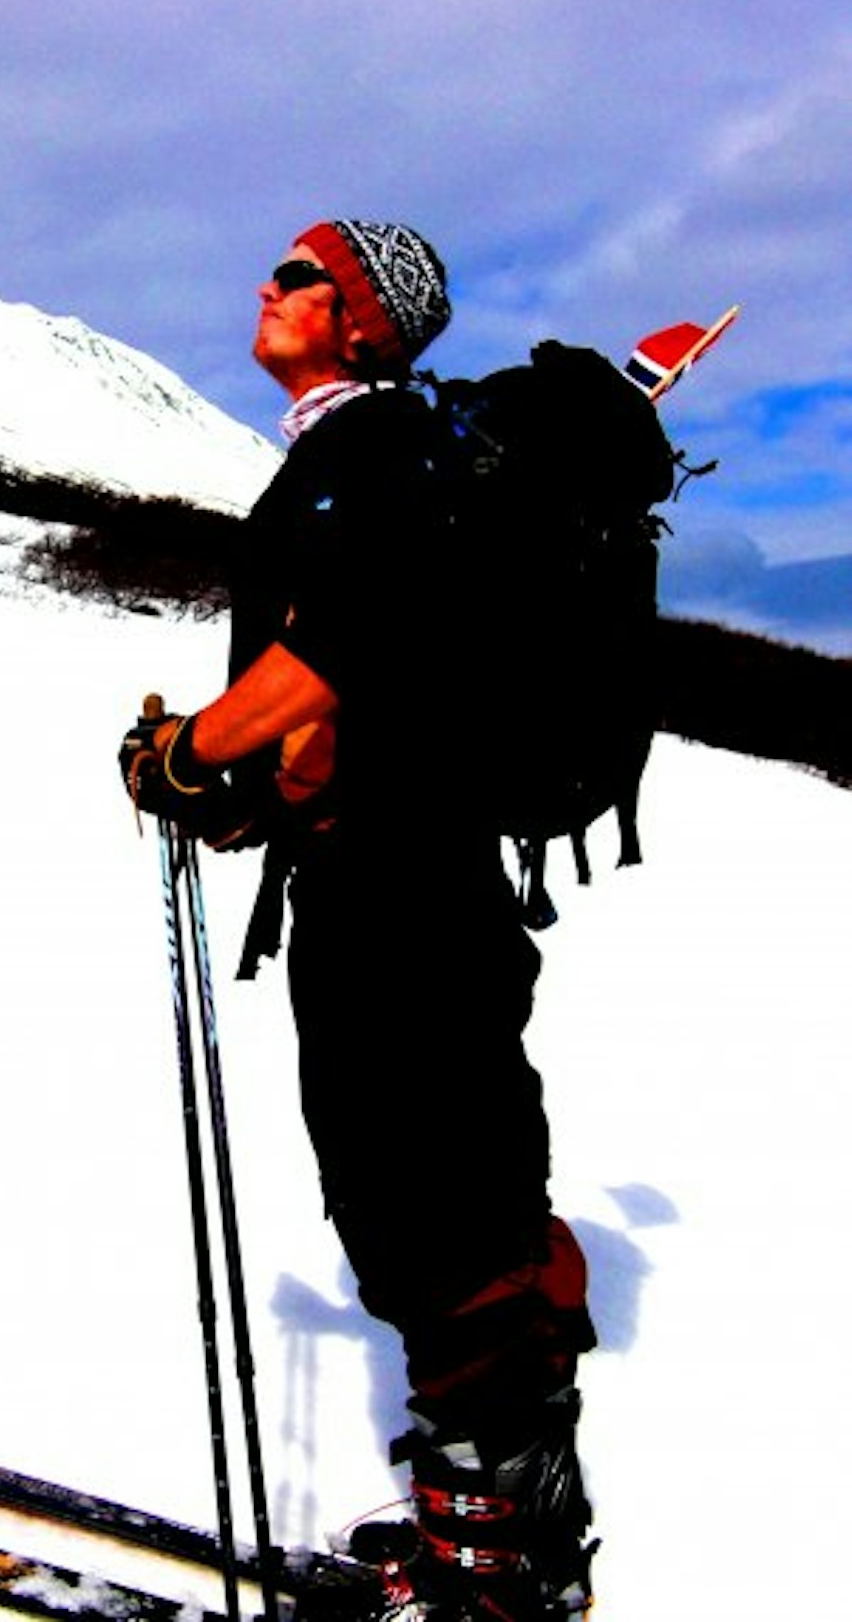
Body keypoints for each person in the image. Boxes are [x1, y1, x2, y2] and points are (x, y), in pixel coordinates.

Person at [120, 220, 597, 1620]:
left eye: (299, 276)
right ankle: (499, 1532)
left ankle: (492, 1574)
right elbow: (360, 699)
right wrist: (245, 795)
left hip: (406, 902)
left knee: (436, 1206)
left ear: (365, 319)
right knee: (441, 1198)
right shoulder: (374, 457)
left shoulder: (381, 451)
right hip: (401, 883)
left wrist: (192, 749)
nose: (266, 289)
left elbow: (338, 649)